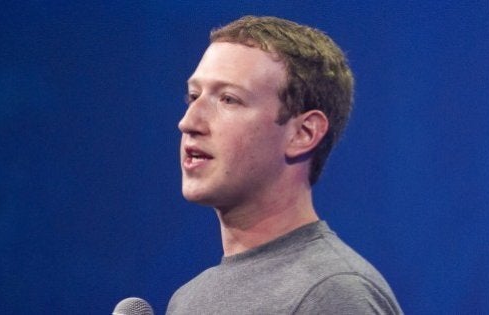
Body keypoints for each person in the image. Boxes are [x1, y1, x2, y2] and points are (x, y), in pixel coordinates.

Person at [167, 16, 403, 314]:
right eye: (193, 96)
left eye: (228, 99)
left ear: (302, 134)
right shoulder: (188, 300)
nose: (188, 122)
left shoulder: (333, 294)